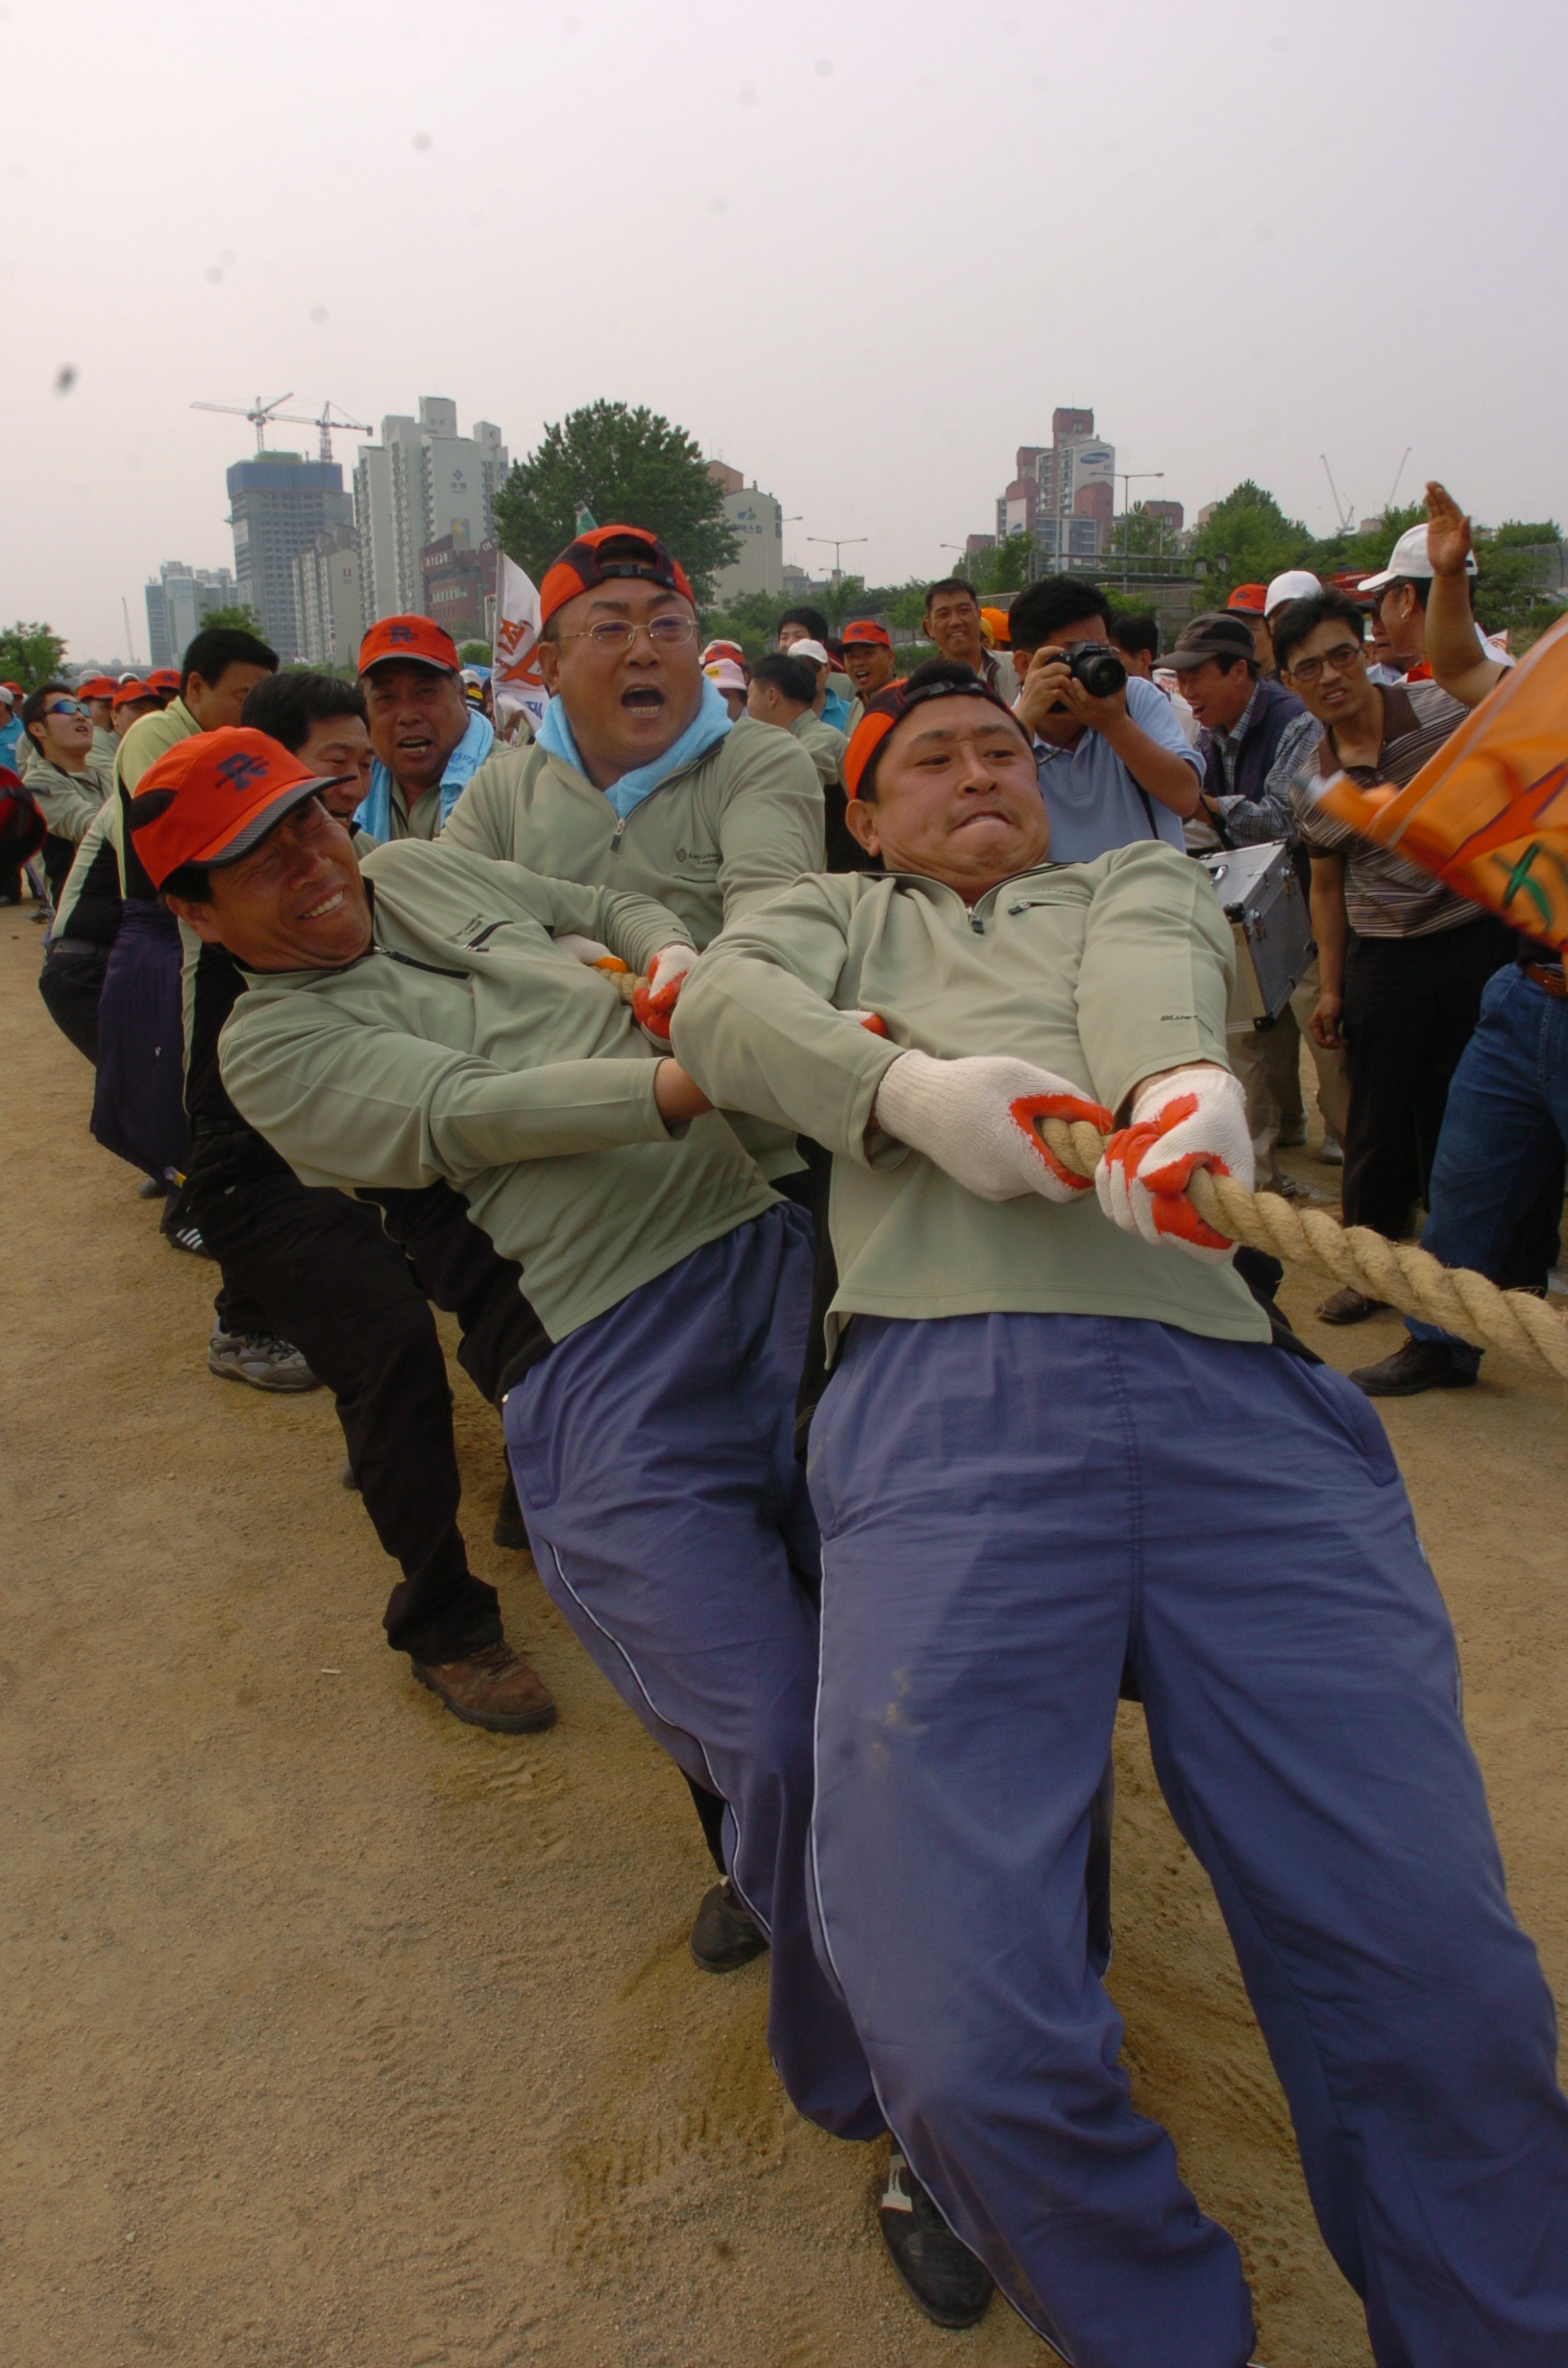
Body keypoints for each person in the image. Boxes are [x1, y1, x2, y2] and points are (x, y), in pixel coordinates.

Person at [671, 659, 1568, 2368]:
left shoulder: (1129, 874)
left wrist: (1182, 1095)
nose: (971, 770)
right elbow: (724, 1009)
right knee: (953, 2027)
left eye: (999, 746)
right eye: (924, 757)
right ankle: (1156, 2328)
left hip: (1230, 1401)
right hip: (943, 1416)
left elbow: (1163, 969)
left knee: (1436, 1978)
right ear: (864, 815)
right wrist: (911, 1094)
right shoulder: (821, 919)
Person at [134, 741, 949, 2299]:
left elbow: (594, 894)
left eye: (310, 810)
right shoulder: (272, 1045)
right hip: (603, 1375)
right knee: (776, 1728)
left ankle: (917, 1987)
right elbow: (472, 1109)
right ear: (198, 909)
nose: (315, 851)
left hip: (770, 1264)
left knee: (908, 1680)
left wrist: (670, 959)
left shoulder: (417, 866)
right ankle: (905, 2108)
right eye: (260, 848)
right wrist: (707, 1065)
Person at [441, 524, 823, 1192]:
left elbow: (773, 926)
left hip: (744, 1158)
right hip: (560, 1156)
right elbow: (440, 932)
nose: (644, 651)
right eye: (610, 630)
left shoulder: (758, 761)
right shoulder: (502, 789)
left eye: (668, 627)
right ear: (551, 667)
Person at [1351, 481, 1568, 1396]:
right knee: (1468, 1181)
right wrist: (1447, 577)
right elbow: (1458, 670)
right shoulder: (1554, 699)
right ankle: (1441, 1341)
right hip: (1526, 995)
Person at [1277, 589, 1520, 1323]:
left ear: (1370, 650)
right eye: (1308, 667)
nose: (1330, 677)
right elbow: (1326, 884)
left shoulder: (1446, 717)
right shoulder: (1312, 786)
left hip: (1477, 939)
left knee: (1469, 1116)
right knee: (1375, 1124)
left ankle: (1474, 1278)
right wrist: (1332, 986)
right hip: (1385, 958)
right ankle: (1374, 1269)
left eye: (1343, 654)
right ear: (1290, 682)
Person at [1158, 613, 1331, 1191]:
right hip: (1254, 903)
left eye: (1197, 676)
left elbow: (1286, 819)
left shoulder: (1296, 724)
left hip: (1311, 902)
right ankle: (1260, 1169)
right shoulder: (1210, 732)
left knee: (1327, 1035)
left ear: (1240, 671)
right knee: (1251, 1033)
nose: (1187, 691)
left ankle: (1371, 1179)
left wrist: (1201, 803)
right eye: (1179, 677)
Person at [1006, 576, 1202, 859]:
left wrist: (1114, 724)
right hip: (1055, 899)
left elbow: (1185, 798)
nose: (1091, 666)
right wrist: (1023, 722)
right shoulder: (1004, 730)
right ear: (1024, 665)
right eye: (1074, 654)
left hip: (1153, 893)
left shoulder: (1135, 699)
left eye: (1099, 651)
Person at [354, 615, 493, 842]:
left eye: (425, 693)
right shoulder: (347, 793)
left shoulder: (511, 787)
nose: (407, 716)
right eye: (386, 698)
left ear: (461, 696)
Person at [115, 627, 280, 792]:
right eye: (244, 699)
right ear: (196, 688)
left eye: (261, 703)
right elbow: (175, 813)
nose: (255, 713)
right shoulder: (153, 733)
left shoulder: (239, 741)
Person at [747, 651, 865, 874]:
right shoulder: (803, 738)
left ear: (771, 697)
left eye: (749, 695)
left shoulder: (817, 742)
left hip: (845, 876)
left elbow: (790, 805)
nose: (747, 707)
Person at [1359, 517, 1510, 683]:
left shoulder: (1479, 683)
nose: (1377, 626)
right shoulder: (1498, 672)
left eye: (1380, 597)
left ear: (1407, 599)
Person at [19, 684, 114, 905]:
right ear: (37, 729)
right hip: (81, 917)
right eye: (66, 708)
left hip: (122, 906)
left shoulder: (106, 776)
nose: (80, 715)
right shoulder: (37, 784)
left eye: (83, 709)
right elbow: (95, 827)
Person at [1106, 611, 1199, 745]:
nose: (1105, 667)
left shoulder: (1189, 719)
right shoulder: (1092, 718)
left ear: (1144, 659)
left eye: (1112, 656)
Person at [922, 577, 1002, 692]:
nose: (955, 622)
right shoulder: (922, 689)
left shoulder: (1016, 669)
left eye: (964, 610)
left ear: (979, 617)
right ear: (929, 627)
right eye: (944, 614)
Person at [840, 618, 898, 733]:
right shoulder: (856, 705)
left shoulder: (904, 701)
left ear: (890, 657)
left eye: (867, 653)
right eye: (851, 656)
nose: (858, 663)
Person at [75, 675, 122, 771]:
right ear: (82, 709)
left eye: (117, 708)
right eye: (106, 707)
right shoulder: (87, 738)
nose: (113, 714)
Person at [703, 655, 749, 721]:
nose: (719, 702)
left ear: (743, 699)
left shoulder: (759, 728)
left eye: (725, 695)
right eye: (711, 696)